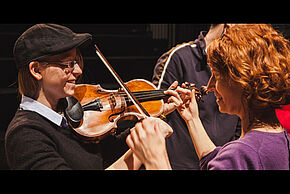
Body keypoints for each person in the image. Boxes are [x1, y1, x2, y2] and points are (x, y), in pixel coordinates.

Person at [4, 23, 177, 170]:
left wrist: (157, 115)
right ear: (36, 70)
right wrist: (143, 150)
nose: (78, 71)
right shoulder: (24, 135)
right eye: (68, 64)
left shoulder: (68, 110)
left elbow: (109, 152)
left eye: (77, 62)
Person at [127, 24, 290, 170]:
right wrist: (192, 119)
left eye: (217, 76)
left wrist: (155, 159)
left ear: (242, 82)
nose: (210, 86)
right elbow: (218, 159)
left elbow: (232, 160)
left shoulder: (240, 154)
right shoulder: (279, 138)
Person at [151, 24, 241, 169]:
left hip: (221, 163)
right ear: (230, 25)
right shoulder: (179, 57)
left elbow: (241, 120)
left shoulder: (239, 64)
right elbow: (155, 111)